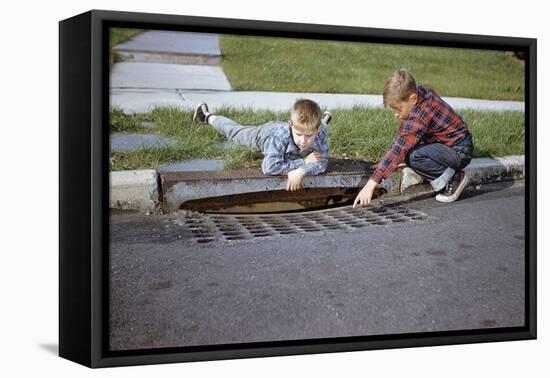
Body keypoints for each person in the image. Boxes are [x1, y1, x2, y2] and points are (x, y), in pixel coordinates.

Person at [354, 69, 474, 207]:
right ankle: (445, 172)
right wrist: (383, 166)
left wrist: (371, 184)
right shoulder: (421, 94)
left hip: (459, 151)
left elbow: (400, 148)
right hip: (452, 144)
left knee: (413, 156)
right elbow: (403, 138)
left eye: (398, 109)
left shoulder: (420, 115)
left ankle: (454, 178)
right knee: (408, 150)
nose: (395, 114)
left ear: (412, 99)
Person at [192, 99, 331, 191]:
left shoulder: (320, 132)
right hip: (264, 134)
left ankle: (324, 119)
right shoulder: (278, 137)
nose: (303, 141)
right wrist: (302, 163)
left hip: (304, 132)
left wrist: (302, 171)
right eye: (299, 134)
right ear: (290, 125)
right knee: (235, 132)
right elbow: (269, 167)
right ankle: (205, 115)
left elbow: (322, 163)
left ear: (317, 130)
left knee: (320, 128)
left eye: (308, 136)